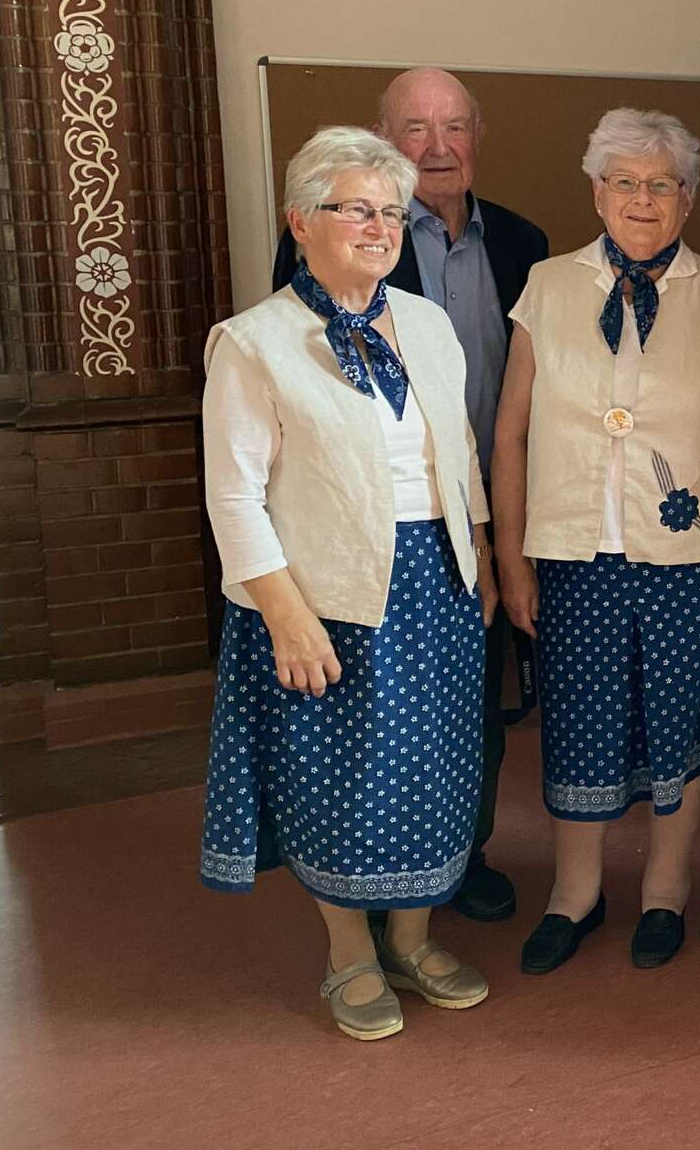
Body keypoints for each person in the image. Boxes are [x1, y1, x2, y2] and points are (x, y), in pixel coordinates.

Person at [201, 127, 497, 1040]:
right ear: (301, 221)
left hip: (434, 581)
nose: (379, 227)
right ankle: (350, 955)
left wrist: (478, 552)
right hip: (322, 596)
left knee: (439, 768)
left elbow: (459, 451)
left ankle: (410, 939)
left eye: (392, 213)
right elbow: (233, 495)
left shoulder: (429, 324)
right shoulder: (255, 343)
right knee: (346, 777)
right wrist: (285, 616)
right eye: (356, 209)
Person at [494, 108, 700, 975]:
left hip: (689, 558)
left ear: (691, 198)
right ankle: (574, 894)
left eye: (664, 183)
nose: (643, 199)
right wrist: (511, 558)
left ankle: (665, 886)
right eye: (625, 181)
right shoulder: (546, 287)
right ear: (597, 191)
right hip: (574, 552)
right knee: (578, 726)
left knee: (678, 726)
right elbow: (509, 430)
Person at [271, 67, 547, 923]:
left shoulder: (522, 241)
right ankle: (376, 872)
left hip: (496, 497)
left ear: (477, 137)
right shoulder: (345, 238)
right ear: (384, 140)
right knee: (382, 712)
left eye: (454, 127)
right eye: (415, 130)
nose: (436, 147)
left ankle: (463, 854)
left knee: (480, 696)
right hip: (380, 511)